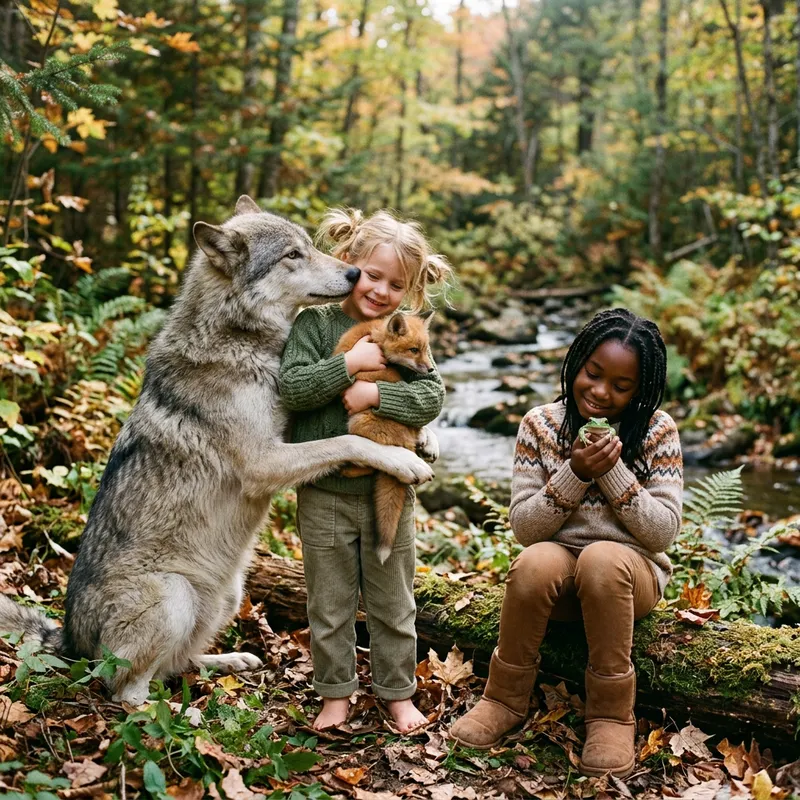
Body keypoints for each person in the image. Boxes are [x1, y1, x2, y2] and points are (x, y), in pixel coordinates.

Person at [449, 308, 683, 777]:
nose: (600, 392)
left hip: (627, 579)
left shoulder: (658, 432)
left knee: (601, 558)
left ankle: (612, 714)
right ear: (576, 362)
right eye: (592, 374)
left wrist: (611, 472)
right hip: (558, 581)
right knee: (534, 561)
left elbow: (663, 532)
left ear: (640, 389)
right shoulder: (540, 424)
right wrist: (575, 472)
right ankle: (504, 698)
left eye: (621, 386)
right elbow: (524, 528)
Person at [278, 208, 452, 732]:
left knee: (394, 601)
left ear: (410, 292)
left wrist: (377, 393)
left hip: (388, 484)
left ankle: (397, 693)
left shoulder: (407, 331)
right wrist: (348, 367)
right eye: (373, 275)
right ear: (348, 262)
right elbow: (293, 389)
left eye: (396, 284)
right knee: (328, 604)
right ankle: (335, 693)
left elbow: (431, 395)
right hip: (325, 490)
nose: (380, 290)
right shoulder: (314, 324)